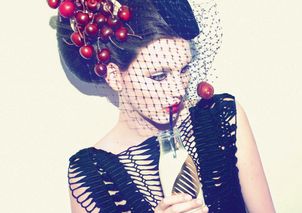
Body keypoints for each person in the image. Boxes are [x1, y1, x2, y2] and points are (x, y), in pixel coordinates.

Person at [49, 0, 276, 212]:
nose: (178, 89)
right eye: (159, 76)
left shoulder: (222, 120)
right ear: (114, 76)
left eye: (184, 69)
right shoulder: (91, 175)